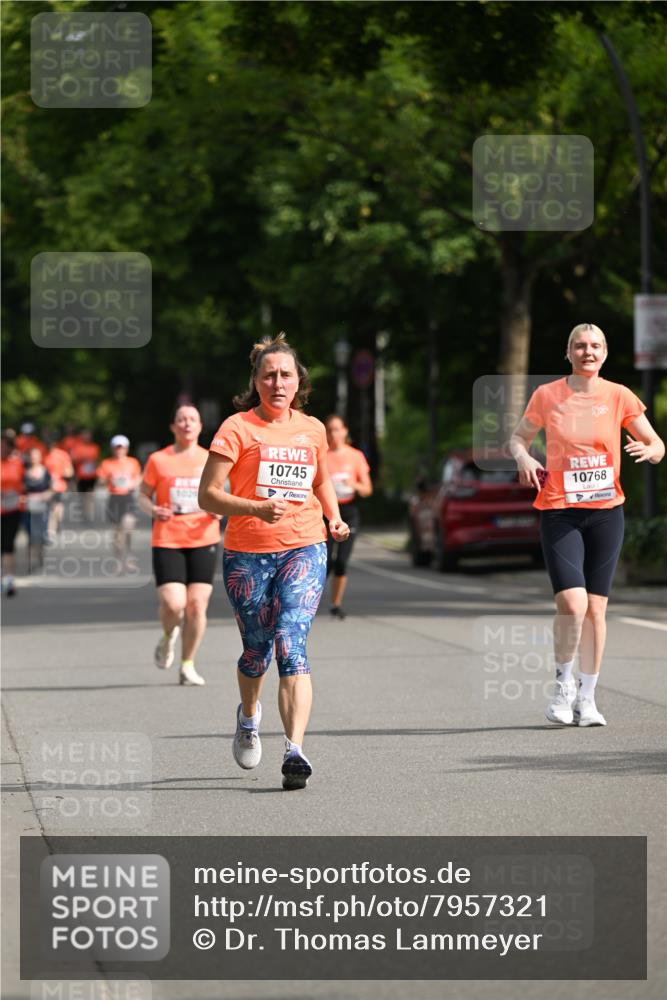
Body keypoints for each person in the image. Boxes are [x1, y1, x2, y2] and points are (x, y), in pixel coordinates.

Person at [199, 332, 350, 790]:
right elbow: (208, 496)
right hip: (248, 552)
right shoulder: (236, 428)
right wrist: (255, 508)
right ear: (257, 381)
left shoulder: (312, 428)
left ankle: (295, 749)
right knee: (255, 650)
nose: (278, 382)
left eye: (286, 374)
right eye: (269, 375)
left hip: (304, 544)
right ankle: (248, 716)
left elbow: (321, 480)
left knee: (291, 640)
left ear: (297, 381)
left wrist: (335, 517)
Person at [510, 323, 664, 727]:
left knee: (597, 609)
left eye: (595, 346)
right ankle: (563, 686)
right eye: (580, 345)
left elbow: (657, 443)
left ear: (606, 353)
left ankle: (589, 697)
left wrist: (650, 449)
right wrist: (524, 458)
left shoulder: (619, 396)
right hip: (560, 510)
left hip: (607, 512)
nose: (588, 352)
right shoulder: (548, 395)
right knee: (572, 603)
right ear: (568, 352)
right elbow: (518, 439)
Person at [138, 406, 221, 686]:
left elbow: (221, 495)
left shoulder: (211, 458)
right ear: (173, 426)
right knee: (174, 604)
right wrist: (153, 510)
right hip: (168, 538)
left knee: (197, 606)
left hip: (203, 538)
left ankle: (187, 664)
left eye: (193, 419)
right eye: (182, 420)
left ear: (200, 427)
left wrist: (219, 510)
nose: (187, 424)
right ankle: (167, 636)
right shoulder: (159, 460)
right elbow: (142, 496)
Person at [323, 414, 373, 619]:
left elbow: (368, 489)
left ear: (345, 431)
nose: (334, 434)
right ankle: (308, 601)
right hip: (325, 512)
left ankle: (335, 604)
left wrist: (354, 485)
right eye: (330, 430)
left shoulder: (355, 456)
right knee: (324, 562)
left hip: (348, 511)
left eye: (337, 429)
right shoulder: (321, 455)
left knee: (342, 561)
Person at [97, 435, 142, 572]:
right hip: (114, 498)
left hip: (127, 497)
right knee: (117, 533)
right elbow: (100, 481)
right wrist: (110, 480)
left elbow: (138, 477)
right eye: (117, 447)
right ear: (112, 449)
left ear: (126, 448)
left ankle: (129, 557)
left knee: (128, 527)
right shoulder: (107, 463)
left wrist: (133, 484)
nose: (119, 450)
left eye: (121, 447)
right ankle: (118, 561)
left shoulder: (133, 462)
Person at [1, 433, 25, 596]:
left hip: (13, 509)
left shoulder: (18, 464)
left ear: (10, 448)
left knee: (8, 544)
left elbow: (26, 484)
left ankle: (9, 580)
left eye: (4, 446)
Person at [23, 447, 52, 573]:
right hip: (28, 507)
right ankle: (31, 561)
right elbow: (21, 489)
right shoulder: (24, 473)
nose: (34, 458)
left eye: (36, 455)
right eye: (32, 455)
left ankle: (39, 555)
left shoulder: (45, 472)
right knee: (30, 535)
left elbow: (51, 489)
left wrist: (46, 495)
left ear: (40, 457)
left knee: (40, 535)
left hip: (42, 507)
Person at [43, 435, 74, 540]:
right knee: (51, 508)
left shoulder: (62, 455)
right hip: (47, 487)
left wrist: (63, 474)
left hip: (60, 486)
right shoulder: (44, 456)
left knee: (57, 508)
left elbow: (69, 471)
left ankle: (57, 523)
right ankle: (51, 530)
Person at [71, 429, 100, 522]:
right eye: (85, 435)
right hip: (81, 476)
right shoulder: (78, 447)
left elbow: (97, 461)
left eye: (89, 435)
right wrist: (83, 459)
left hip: (92, 476)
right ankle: (83, 512)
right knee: (82, 496)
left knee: (90, 495)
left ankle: (88, 515)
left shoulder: (95, 447)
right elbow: (73, 460)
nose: (87, 437)